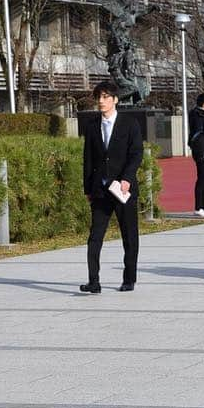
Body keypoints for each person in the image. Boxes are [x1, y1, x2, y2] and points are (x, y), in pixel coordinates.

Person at [81, 81, 143, 293]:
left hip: (123, 189)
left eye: (106, 97)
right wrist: (87, 188)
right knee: (95, 237)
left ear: (115, 100)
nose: (101, 101)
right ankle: (93, 281)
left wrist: (127, 178)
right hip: (100, 190)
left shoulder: (130, 124)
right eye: (98, 97)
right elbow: (88, 159)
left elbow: (136, 154)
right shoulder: (91, 126)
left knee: (129, 235)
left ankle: (129, 279)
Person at [188, 93, 204, 217]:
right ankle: (199, 206)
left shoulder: (202, 115)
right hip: (200, 150)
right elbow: (200, 132)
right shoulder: (197, 114)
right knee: (202, 178)